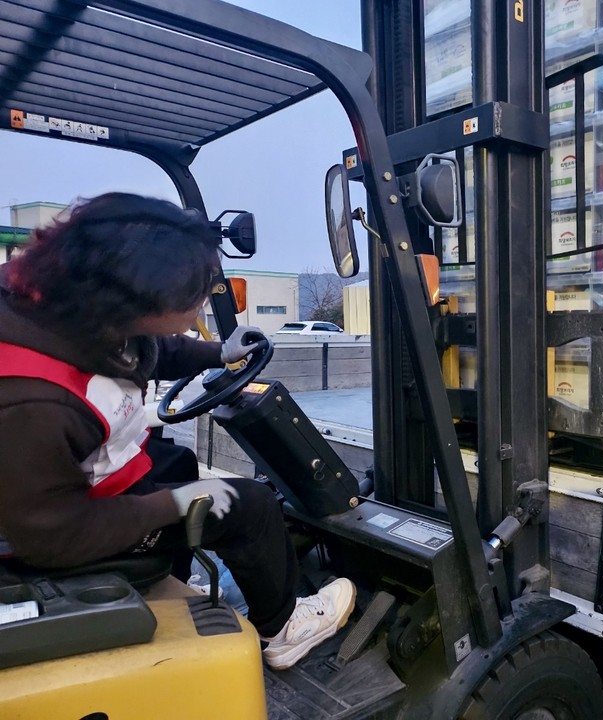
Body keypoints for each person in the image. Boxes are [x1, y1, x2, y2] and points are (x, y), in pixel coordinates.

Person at [0, 192, 355, 671]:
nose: (200, 305)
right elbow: (55, 535)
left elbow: (147, 349)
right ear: (136, 298)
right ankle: (284, 629)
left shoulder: (71, 312)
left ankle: (174, 584)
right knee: (249, 505)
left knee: (180, 463)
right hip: (56, 532)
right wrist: (168, 505)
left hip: (84, 484)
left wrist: (217, 355)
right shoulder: (33, 402)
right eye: (195, 297)